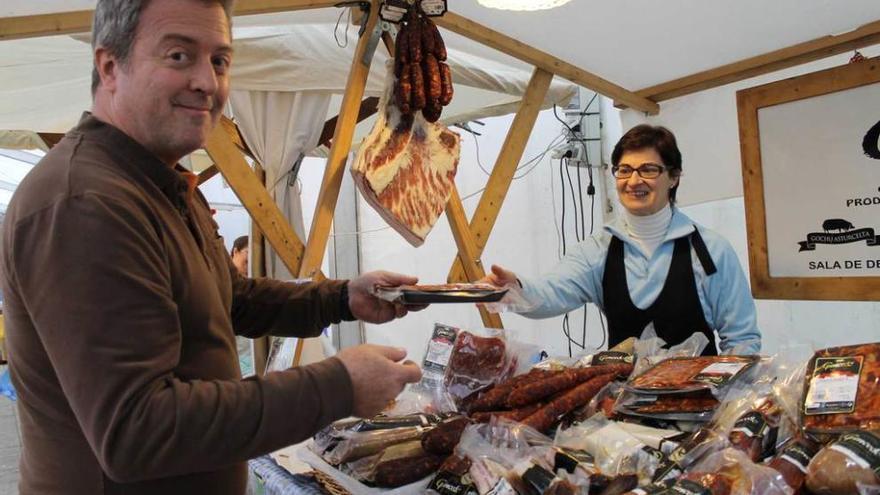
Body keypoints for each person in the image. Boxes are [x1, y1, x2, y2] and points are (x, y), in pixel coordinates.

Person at [0, 1, 423, 493]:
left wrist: (339, 297)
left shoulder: (161, 183)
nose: (208, 82)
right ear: (110, 67)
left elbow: (229, 298)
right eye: (179, 56)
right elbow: (137, 430)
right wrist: (336, 386)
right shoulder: (86, 203)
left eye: (220, 61)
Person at [485, 125, 760, 355]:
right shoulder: (597, 250)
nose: (634, 181)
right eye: (624, 170)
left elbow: (742, 339)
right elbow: (551, 293)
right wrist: (515, 289)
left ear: (674, 177)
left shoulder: (711, 250)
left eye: (649, 170)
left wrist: (727, 401)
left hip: (698, 410)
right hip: (622, 409)